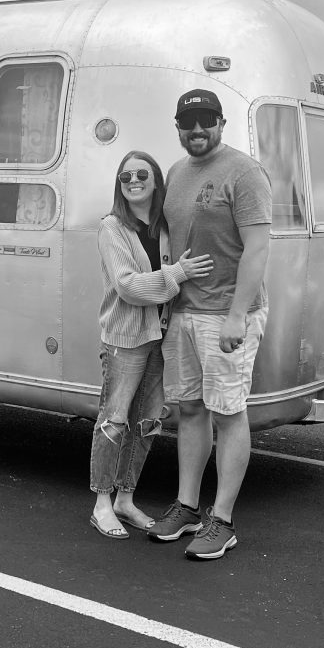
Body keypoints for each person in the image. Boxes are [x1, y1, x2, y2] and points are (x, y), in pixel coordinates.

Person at [149, 89, 272, 559]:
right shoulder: (177, 172)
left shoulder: (244, 172)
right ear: (178, 127)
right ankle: (187, 507)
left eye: (206, 120)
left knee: (228, 412)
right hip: (184, 310)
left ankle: (222, 519)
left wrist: (238, 315)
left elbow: (257, 247)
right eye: (188, 122)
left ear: (221, 123)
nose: (197, 130)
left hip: (226, 313)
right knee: (190, 410)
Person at [90, 149, 213, 538]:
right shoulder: (112, 227)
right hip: (125, 341)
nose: (134, 182)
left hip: (159, 336)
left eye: (141, 175)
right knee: (114, 420)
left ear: (156, 180)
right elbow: (128, 286)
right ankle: (102, 504)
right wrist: (177, 273)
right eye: (126, 177)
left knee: (146, 423)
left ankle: (126, 499)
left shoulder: (164, 227)